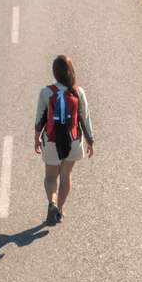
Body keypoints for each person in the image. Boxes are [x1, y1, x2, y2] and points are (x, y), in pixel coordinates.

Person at [32, 54, 95, 225]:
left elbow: (40, 118)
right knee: (66, 175)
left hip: (51, 141)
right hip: (73, 141)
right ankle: (59, 209)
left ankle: (51, 203)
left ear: (55, 73)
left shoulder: (46, 92)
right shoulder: (78, 92)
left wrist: (37, 138)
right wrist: (90, 141)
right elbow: (85, 118)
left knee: (51, 176)